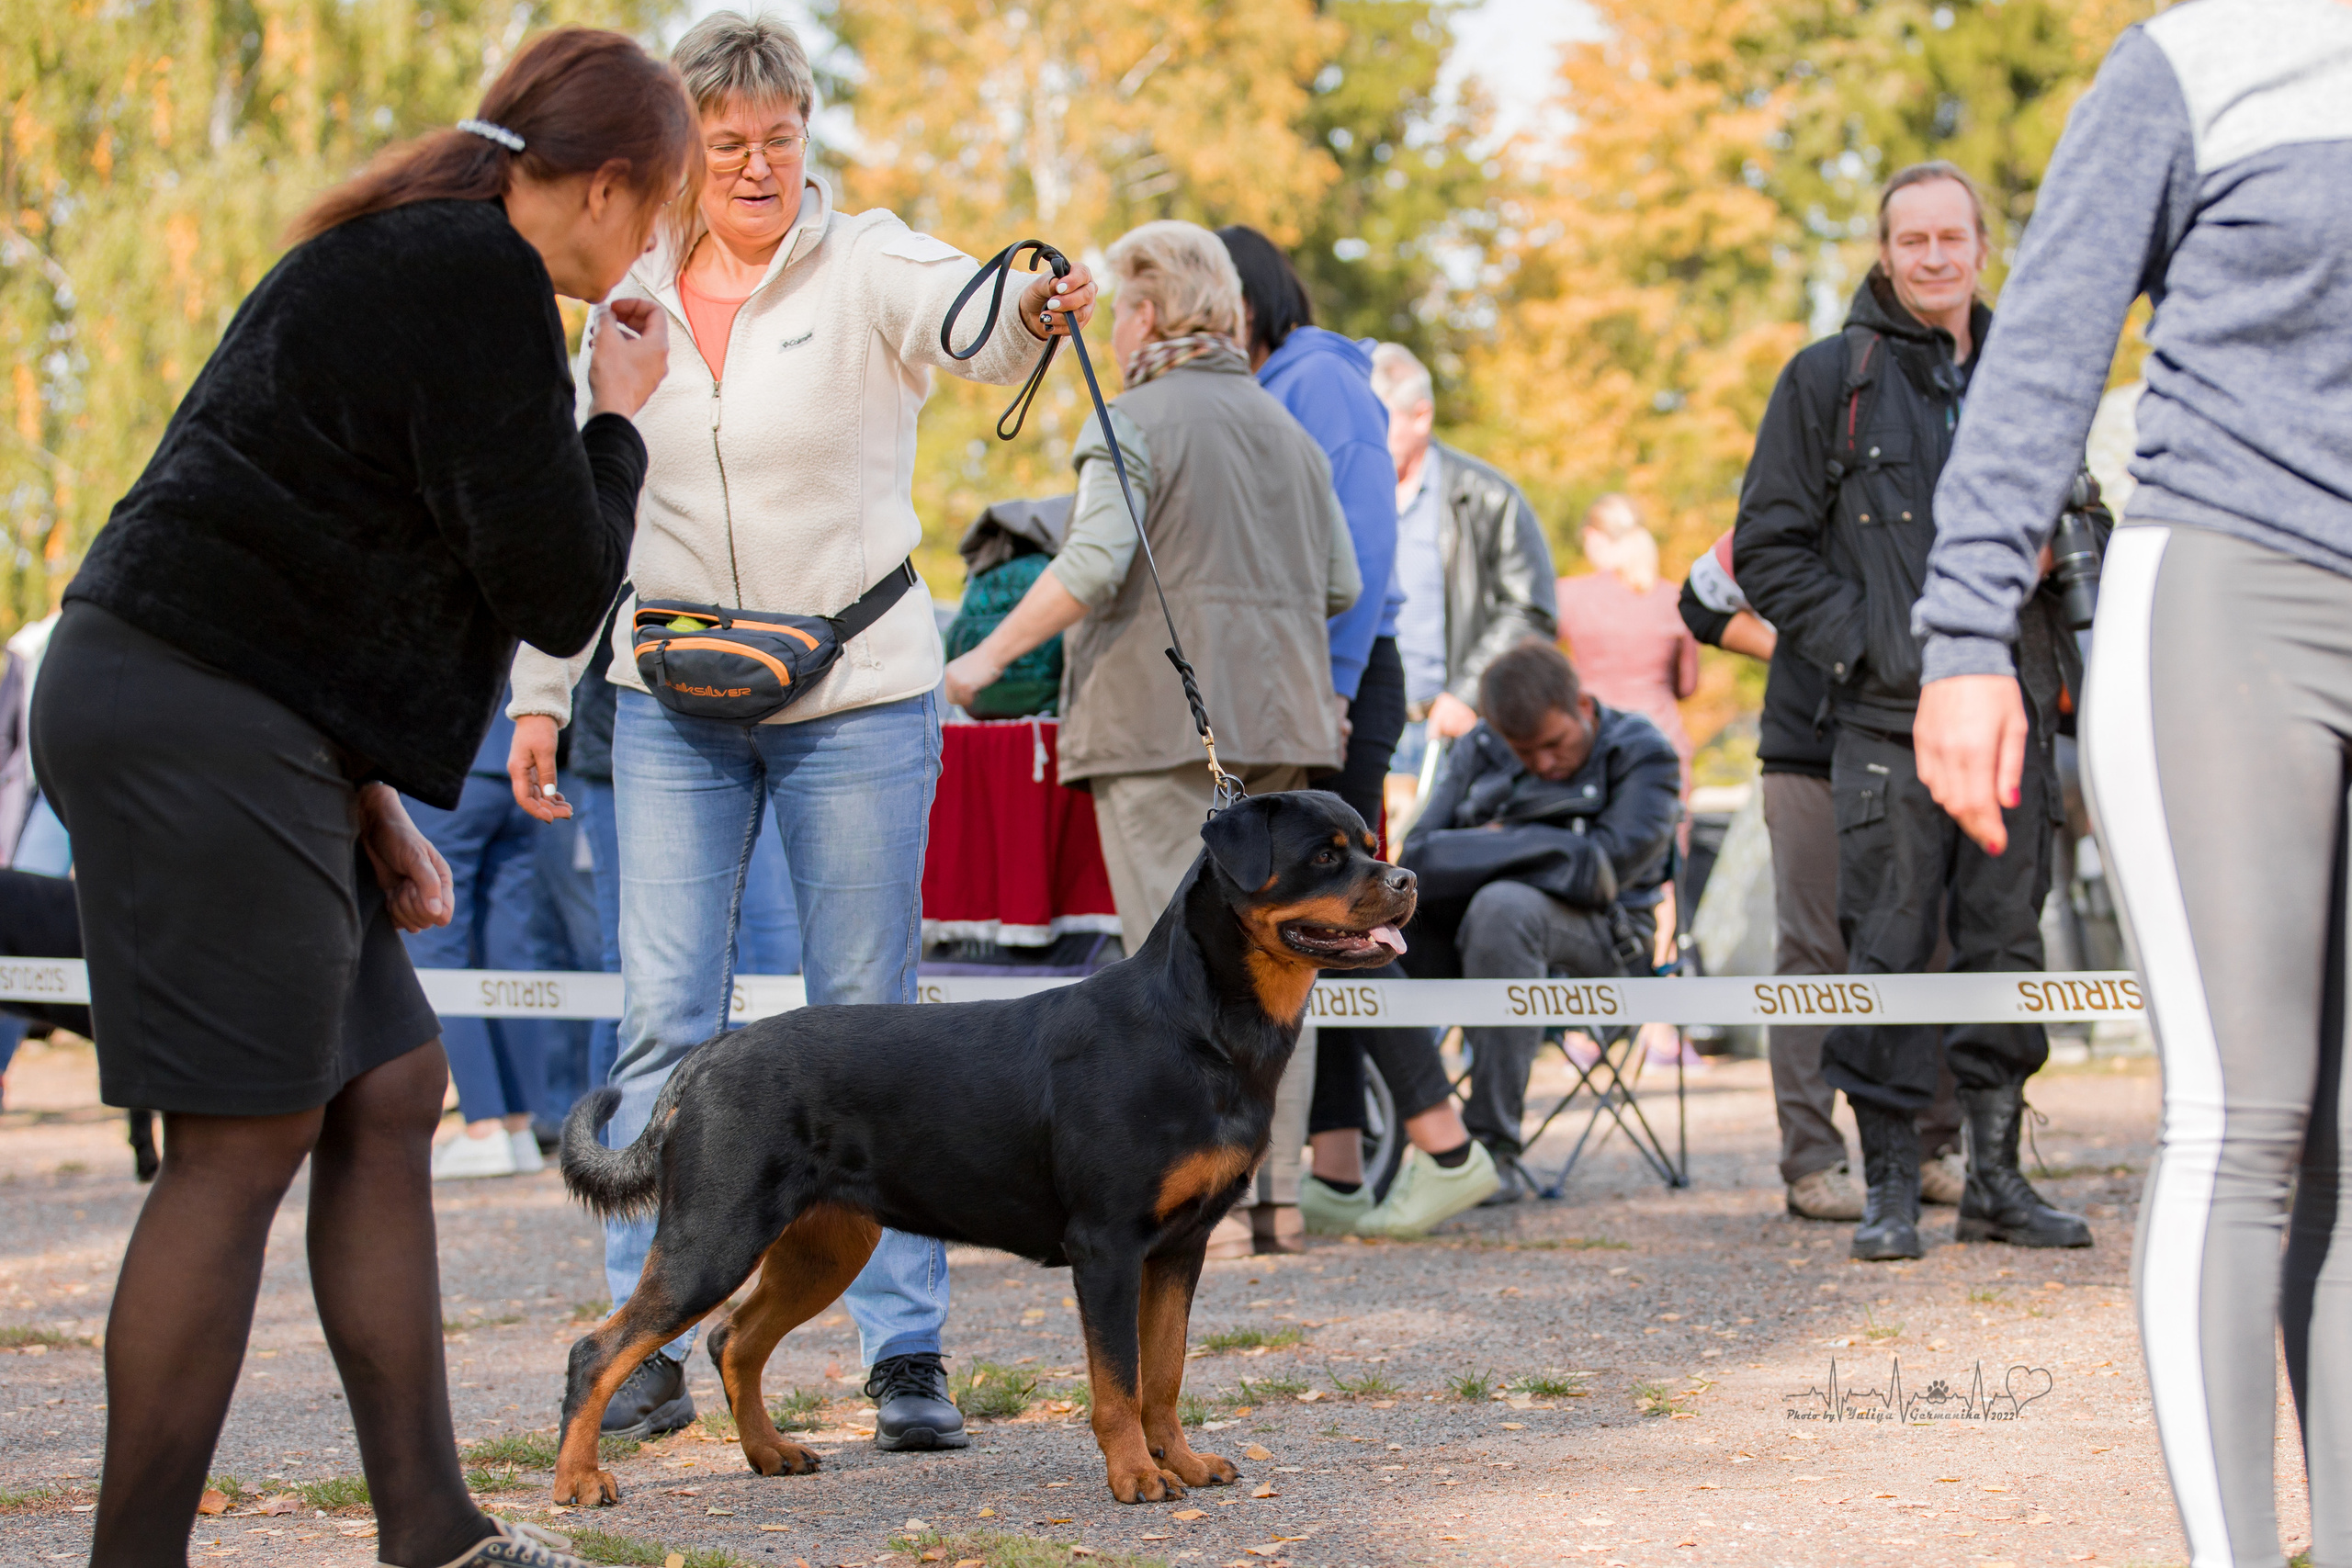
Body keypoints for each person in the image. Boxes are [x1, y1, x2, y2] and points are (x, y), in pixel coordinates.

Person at [28, 29, 686, 1568]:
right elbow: (551, 580)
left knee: (387, 1088)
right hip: (197, 715)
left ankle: (433, 1531)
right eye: (650, 209)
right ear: (601, 186)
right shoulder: (476, 281)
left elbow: (331, 551)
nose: (649, 244)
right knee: (237, 1147)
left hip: (223, 709)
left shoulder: (419, 248)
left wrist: (365, 799)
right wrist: (619, 415)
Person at [507, 11, 1097, 1451]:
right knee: (664, 1016)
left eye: (781, 137)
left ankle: (906, 1352)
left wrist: (1035, 307)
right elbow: (578, 496)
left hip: (857, 691)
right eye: (726, 144)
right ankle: (637, 1345)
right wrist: (538, 689)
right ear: (679, 153)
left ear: (807, 140)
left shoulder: (870, 255)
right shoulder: (621, 280)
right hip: (666, 694)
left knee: (875, 1013)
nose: (759, 164)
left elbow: (974, 313)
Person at [1909, 6, 2352, 1557]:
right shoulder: (2201, 59)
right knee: (2249, 1115)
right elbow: (2044, 349)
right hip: (2237, 588)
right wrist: (1967, 627)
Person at [943, 218, 1356, 1257]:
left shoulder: (1133, 420)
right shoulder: (1288, 431)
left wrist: (978, 664)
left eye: (1122, 306)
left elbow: (1090, 565)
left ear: (1143, 310)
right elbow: (1343, 586)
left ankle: (1191, 1215)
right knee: (1282, 970)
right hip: (1281, 731)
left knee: (1174, 985)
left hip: (1158, 731)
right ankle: (1277, 1202)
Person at [1734, 161, 2091, 1264]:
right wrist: (1891, 650)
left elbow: (2087, 521)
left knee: (2002, 946)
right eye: (1913, 239)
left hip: (2017, 715)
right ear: (1886, 251)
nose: (1935, 257)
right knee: (1881, 954)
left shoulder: (2027, 377)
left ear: (1982, 247)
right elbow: (1765, 552)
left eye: (1953, 238)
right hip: (1886, 726)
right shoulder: (1826, 378)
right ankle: (1888, 1186)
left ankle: (1993, 1180)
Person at [1212, 225, 1498, 1237]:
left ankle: (1443, 1144)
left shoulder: (1317, 381)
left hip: (1339, 674)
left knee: (1353, 911)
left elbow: (1362, 550)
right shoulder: (1274, 382)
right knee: (1313, 925)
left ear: (1240, 300)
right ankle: (1334, 1169)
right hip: (1307, 673)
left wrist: (1330, 682)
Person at [1681, 534, 1970, 1223]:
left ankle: (1937, 1148)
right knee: (1814, 953)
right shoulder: (1795, 504)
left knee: (1933, 946)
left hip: (1917, 742)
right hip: (1806, 751)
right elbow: (1699, 600)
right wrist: (1795, 649)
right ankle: (1812, 1159)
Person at [1398, 641, 1680, 1201]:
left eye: (1554, 744)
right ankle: (1379, 1140)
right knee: (1380, 921)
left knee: (1503, 907)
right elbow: (1418, 855)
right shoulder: (1481, 745)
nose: (1546, 764)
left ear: (1581, 704)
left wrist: (1489, 846)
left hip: (1610, 943)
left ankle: (1490, 1147)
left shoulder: (1642, 751)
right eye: (1526, 754)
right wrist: (1550, 848)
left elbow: (1602, 870)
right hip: (1471, 942)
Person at [1366, 342, 1556, 814]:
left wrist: (1467, 694)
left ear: (1421, 416)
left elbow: (1530, 608)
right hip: (1368, 722)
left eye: (1379, 419)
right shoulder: (1349, 493)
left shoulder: (1488, 496)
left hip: (1448, 729)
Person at [402, 704, 561, 1180]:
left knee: (435, 941)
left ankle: (483, 1128)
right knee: (510, 948)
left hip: (448, 760)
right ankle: (516, 1128)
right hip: (519, 762)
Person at [1559, 494, 1700, 785]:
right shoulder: (1676, 599)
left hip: (1595, 745)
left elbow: (1539, 670)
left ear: (1593, 537)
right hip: (1663, 743)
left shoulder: (1569, 596)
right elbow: (1687, 686)